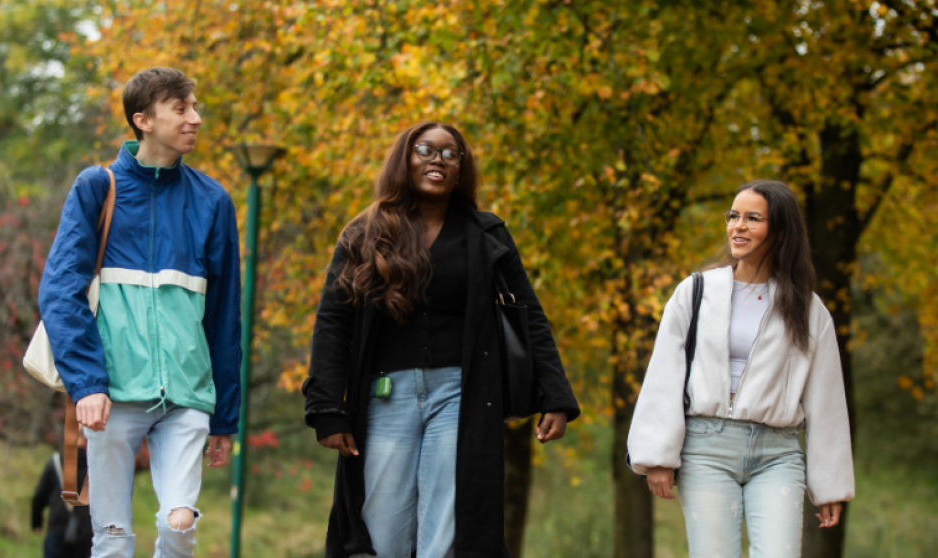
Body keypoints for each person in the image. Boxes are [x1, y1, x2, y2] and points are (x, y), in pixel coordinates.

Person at [303, 121, 580, 557]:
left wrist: (556, 397)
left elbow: (529, 319)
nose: (438, 161)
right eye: (426, 150)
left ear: (461, 169)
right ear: (405, 159)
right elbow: (333, 323)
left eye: (451, 154)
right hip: (384, 398)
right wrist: (326, 408)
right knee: (383, 528)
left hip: (461, 397)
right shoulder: (364, 233)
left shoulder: (487, 235)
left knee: (448, 528)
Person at [38, 67, 242, 557]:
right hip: (111, 396)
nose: (196, 118)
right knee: (112, 538)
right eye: (182, 108)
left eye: (195, 107)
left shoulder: (213, 201)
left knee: (178, 525)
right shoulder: (96, 188)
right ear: (143, 119)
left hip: (187, 394)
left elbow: (225, 317)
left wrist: (225, 418)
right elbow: (60, 292)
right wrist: (87, 383)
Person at [627, 180, 855, 557]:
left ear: (780, 232)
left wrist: (829, 485)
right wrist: (657, 456)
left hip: (778, 454)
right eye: (733, 216)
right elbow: (664, 375)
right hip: (706, 448)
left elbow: (827, 399)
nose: (738, 226)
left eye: (753, 218)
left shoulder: (807, 309)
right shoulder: (696, 291)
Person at [32, 434, 92, 558]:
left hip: (57, 527)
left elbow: (39, 495)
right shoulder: (94, 466)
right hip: (85, 533)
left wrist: (36, 522)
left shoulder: (55, 462)